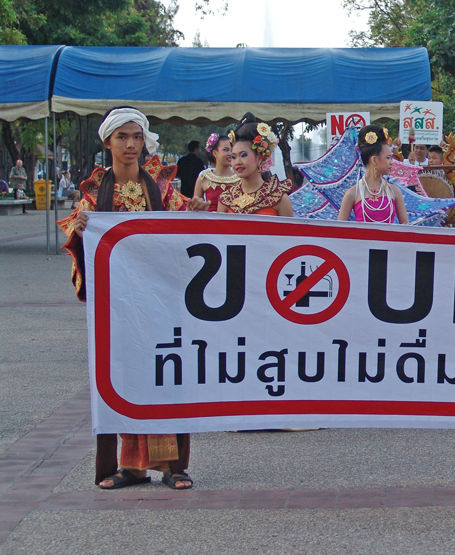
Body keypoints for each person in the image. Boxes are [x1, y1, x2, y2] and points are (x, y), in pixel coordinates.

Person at [57, 106, 208, 490]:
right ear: (107, 141)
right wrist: (80, 231)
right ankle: (130, 466)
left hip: (160, 300)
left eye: (136, 137)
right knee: (123, 376)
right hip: (120, 305)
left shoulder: (159, 187)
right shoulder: (93, 193)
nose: (130, 144)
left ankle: (173, 465)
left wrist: (196, 212)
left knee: (167, 373)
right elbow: (79, 243)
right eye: (122, 137)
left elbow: (185, 227)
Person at [217, 114, 293, 216]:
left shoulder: (278, 197)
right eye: (233, 157)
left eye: (243, 155)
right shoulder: (226, 198)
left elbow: (288, 231)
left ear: (259, 157)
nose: (237, 162)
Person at [337, 125, 410, 224]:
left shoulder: (394, 191)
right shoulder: (352, 193)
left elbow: (407, 230)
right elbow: (339, 232)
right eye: (388, 157)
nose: (392, 162)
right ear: (375, 160)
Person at [193, 132, 239, 212]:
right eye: (226, 150)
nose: (230, 153)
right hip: (210, 223)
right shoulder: (204, 177)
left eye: (231, 150)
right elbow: (196, 208)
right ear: (215, 153)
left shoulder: (240, 177)